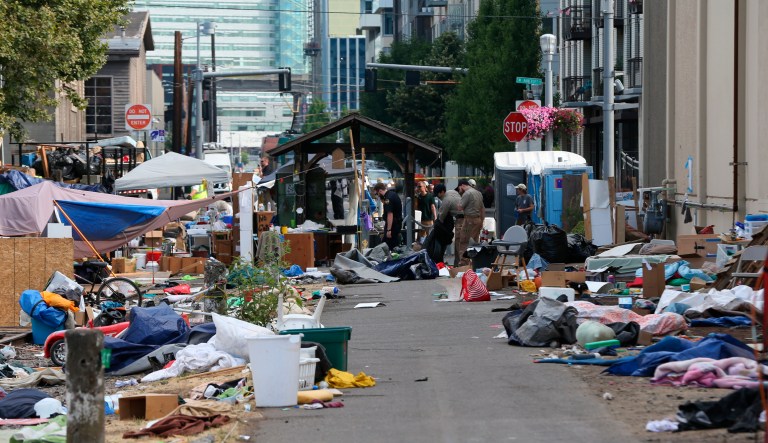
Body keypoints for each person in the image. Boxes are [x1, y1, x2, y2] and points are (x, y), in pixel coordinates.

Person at [425, 183, 460, 264]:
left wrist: (435, 226)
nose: (437, 196)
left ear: (442, 192)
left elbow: (441, 218)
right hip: (463, 218)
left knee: (459, 245)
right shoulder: (451, 192)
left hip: (461, 220)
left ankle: (459, 265)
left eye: (438, 194)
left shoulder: (446, 201)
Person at [457, 178, 485, 266]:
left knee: (464, 241)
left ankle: (464, 263)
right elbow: (482, 209)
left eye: (459, 188)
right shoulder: (478, 193)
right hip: (478, 220)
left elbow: (460, 207)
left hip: (469, 220)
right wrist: (482, 221)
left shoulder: (467, 193)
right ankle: (474, 262)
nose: (459, 190)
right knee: (475, 242)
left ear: (462, 186)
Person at [373, 182, 402, 250]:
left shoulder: (388, 199)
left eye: (377, 194)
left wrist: (389, 230)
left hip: (393, 225)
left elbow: (390, 214)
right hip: (396, 223)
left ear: (380, 191)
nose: (378, 195)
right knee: (389, 244)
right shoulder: (392, 194)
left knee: (388, 245)